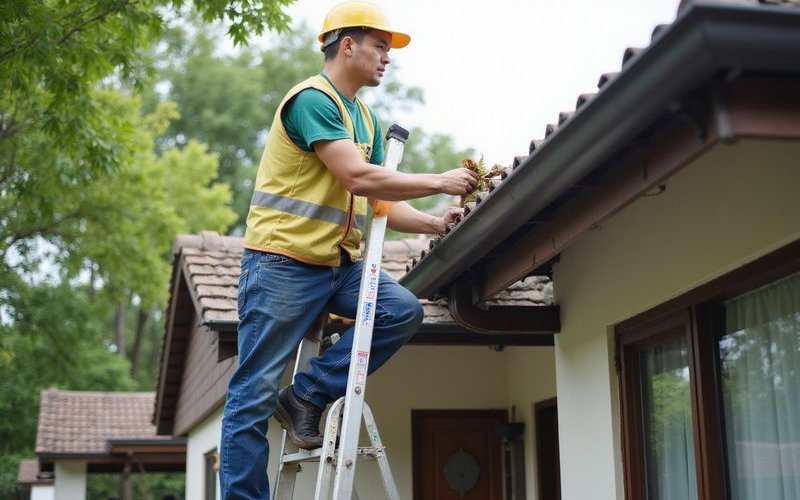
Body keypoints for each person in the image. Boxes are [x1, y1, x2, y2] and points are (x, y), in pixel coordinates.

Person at [218, 1, 478, 497]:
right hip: (281, 265)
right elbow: (355, 174)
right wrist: (438, 180)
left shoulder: (364, 118)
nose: (387, 57)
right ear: (347, 45)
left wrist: (432, 221)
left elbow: (374, 199)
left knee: (399, 310)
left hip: (336, 266)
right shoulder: (312, 100)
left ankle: (306, 396)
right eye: (380, 46)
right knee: (251, 398)